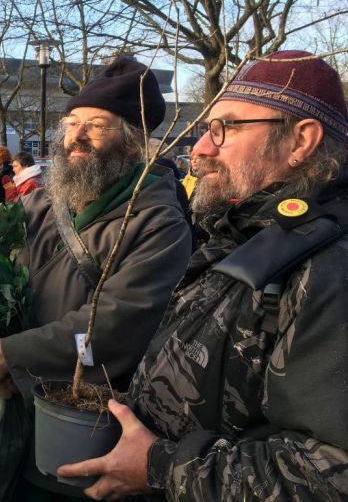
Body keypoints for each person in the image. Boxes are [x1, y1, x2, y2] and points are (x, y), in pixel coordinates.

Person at [57, 51, 348, 501]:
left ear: (300, 141)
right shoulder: (247, 231)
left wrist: (160, 467)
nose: (200, 149)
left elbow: (331, 475)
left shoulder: (330, 267)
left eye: (224, 129)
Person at [0, 56, 193, 499]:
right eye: (71, 123)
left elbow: (114, 324)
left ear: (131, 143)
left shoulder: (158, 223)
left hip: (79, 429)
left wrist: (11, 356)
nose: (76, 137)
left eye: (97, 125)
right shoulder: (40, 205)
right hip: (7, 410)